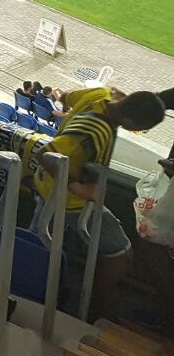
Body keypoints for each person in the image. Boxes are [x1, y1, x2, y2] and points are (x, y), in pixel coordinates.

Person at [25, 87, 166, 321]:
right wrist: (78, 188)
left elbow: (65, 96)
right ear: (129, 121)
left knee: (40, 246)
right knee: (120, 254)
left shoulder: (101, 93)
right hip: (69, 202)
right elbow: (45, 154)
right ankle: (92, 315)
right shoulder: (93, 131)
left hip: (48, 189)